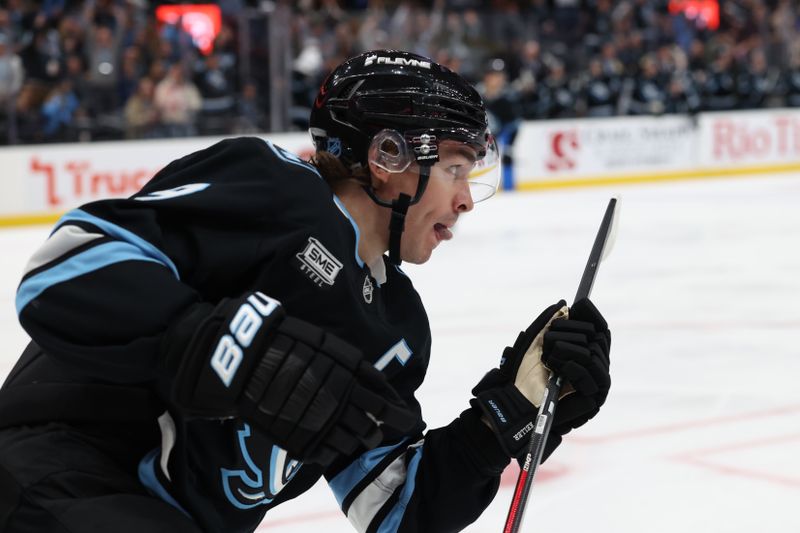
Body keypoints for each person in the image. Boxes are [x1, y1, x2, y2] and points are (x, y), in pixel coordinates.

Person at [0, 50, 611, 533]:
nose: (463, 199)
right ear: (387, 155)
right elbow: (65, 266)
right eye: (454, 168)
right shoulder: (277, 190)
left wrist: (510, 414)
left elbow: (395, 510)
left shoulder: (395, 327)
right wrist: (228, 349)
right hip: (52, 475)